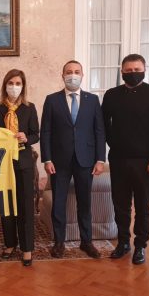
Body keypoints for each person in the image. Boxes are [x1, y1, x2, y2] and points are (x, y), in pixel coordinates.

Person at [102, 54, 149, 264]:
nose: (133, 73)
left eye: (137, 70)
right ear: (122, 71)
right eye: (128, 70)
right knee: (120, 205)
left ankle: (141, 245)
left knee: (143, 206)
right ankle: (123, 243)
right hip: (118, 160)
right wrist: (113, 144)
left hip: (146, 162)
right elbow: (104, 125)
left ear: (144, 70)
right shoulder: (111, 95)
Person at [40, 60, 106, 259]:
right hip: (59, 161)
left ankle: (87, 242)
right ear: (62, 75)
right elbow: (46, 131)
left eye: (77, 72)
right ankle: (59, 242)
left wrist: (100, 159)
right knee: (59, 202)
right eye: (69, 72)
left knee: (84, 202)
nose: (72, 75)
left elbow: (99, 131)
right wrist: (47, 159)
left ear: (82, 75)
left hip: (86, 160)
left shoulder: (92, 100)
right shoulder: (52, 100)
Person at [0, 69, 40, 266]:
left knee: (25, 205)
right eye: (11, 83)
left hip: (24, 162)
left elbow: (36, 134)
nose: (14, 87)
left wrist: (27, 137)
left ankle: (27, 248)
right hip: (2, 163)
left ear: (23, 86)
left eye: (18, 83)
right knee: (6, 206)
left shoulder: (30, 108)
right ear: (5, 85)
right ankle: (10, 244)